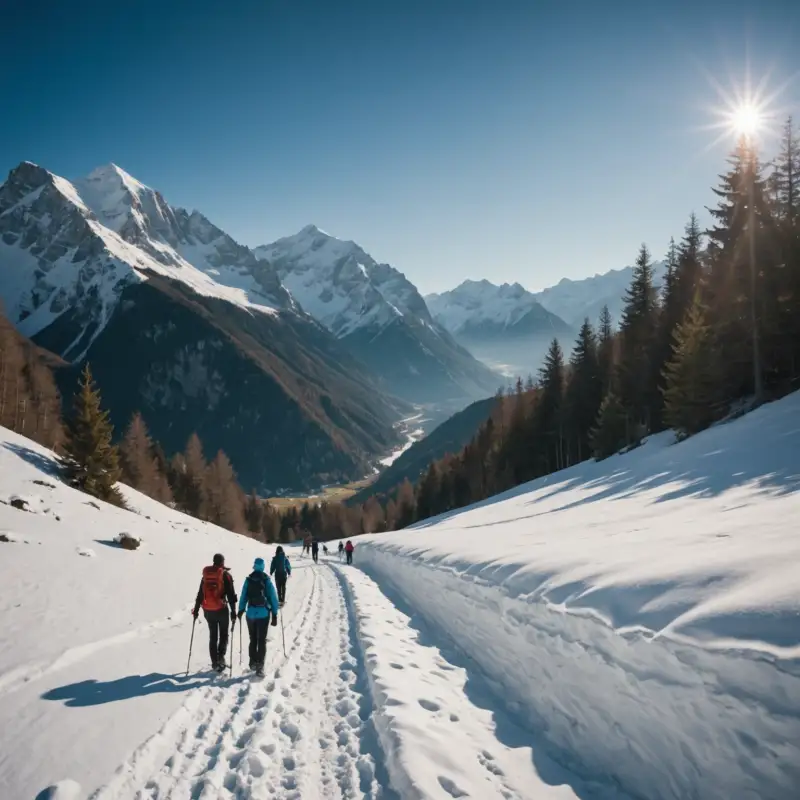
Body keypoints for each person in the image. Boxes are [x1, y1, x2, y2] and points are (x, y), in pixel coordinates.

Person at [192, 553, 237, 672]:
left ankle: (214, 662)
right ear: (222, 562)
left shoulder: (206, 576)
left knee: (213, 636)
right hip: (221, 610)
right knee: (223, 634)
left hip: (208, 610)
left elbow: (200, 594)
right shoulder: (225, 575)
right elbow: (231, 595)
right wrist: (233, 611)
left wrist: (196, 610)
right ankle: (221, 658)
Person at [238, 557, 279, 675]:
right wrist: (275, 613)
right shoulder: (266, 580)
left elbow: (243, 596)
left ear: (254, 566)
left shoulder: (249, 579)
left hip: (250, 614)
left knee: (253, 639)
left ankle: (252, 662)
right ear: (263, 567)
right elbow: (273, 597)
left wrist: (241, 610)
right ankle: (260, 666)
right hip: (263, 614)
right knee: (261, 640)